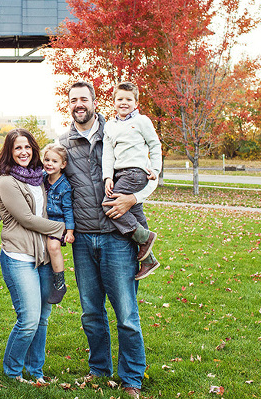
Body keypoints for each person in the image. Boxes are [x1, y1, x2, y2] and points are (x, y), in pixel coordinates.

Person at [59, 81, 156, 399]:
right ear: (69, 104)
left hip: (117, 238)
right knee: (90, 312)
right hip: (84, 240)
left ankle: (132, 377)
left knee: (126, 313)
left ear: (94, 102)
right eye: (73, 99)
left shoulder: (117, 131)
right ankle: (99, 368)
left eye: (84, 98)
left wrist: (134, 198)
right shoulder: (63, 143)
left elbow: (150, 169)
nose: (78, 104)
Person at [0, 128, 66, 384]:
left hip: (44, 257)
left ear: (34, 149)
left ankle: (36, 372)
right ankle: (13, 372)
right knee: (28, 320)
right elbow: (26, 218)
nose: (23, 152)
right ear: (10, 152)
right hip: (19, 257)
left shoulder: (40, 178)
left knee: (43, 319)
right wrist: (63, 229)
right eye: (17, 148)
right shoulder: (6, 181)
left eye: (27, 147)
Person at [102, 82, 162, 280]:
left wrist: (155, 169)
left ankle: (146, 237)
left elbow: (154, 145)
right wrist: (108, 177)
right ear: (114, 102)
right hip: (120, 174)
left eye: (129, 99)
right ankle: (149, 260)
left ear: (136, 102)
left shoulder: (143, 121)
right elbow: (108, 154)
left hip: (136, 173)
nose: (124, 102)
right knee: (133, 212)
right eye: (120, 99)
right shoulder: (110, 126)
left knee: (109, 205)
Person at [41, 143, 75, 304]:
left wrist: (70, 231)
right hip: (42, 221)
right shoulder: (41, 178)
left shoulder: (65, 186)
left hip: (57, 222)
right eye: (47, 159)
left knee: (53, 247)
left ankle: (60, 284)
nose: (49, 164)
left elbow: (68, 209)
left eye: (55, 161)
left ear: (63, 165)